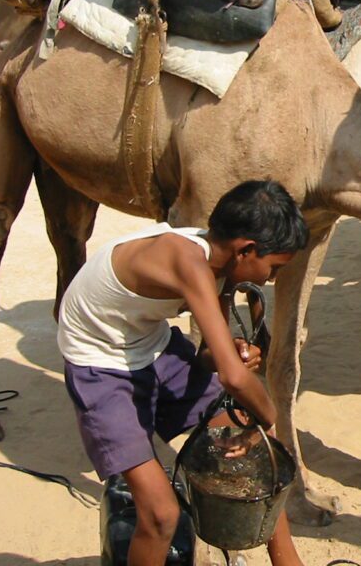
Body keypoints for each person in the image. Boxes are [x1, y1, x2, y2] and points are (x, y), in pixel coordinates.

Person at [57, 179, 309, 566]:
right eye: (273, 268)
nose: (270, 280)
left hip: (149, 344)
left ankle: (287, 560)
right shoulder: (187, 259)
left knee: (258, 461)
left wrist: (232, 351)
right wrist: (270, 422)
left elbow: (212, 356)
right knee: (161, 516)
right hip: (100, 360)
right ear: (246, 250)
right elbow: (234, 379)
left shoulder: (225, 268)